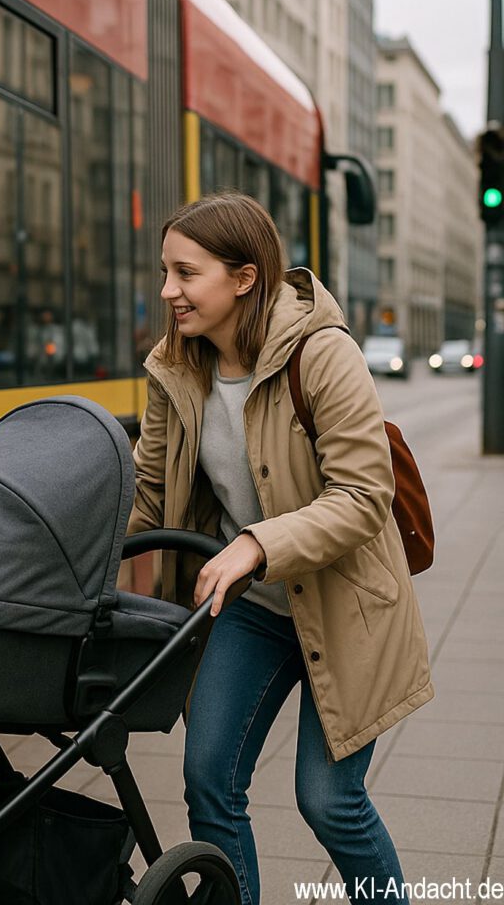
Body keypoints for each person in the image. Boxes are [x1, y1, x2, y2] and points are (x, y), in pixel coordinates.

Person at [127, 193, 432, 905]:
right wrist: (58, 549)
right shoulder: (176, 368)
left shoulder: (322, 353)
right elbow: (147, 496)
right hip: (255, 610)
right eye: (165, 272)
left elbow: (362, 495)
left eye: (185, 273)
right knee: (209, 782)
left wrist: (256, 545)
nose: (168, 291)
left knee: (328, 802)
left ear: (243, 278)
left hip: (347, 606)